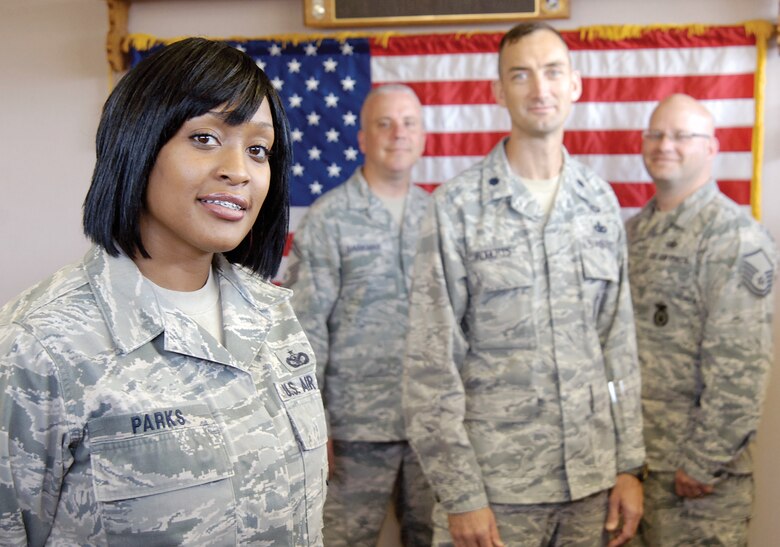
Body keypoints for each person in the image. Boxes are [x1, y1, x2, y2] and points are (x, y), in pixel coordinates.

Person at [0, 37, 327, 545]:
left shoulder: (274, 314)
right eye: (204, 138)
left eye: (258, 149)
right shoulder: (38, 345)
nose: (238, 170)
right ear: (138, 143)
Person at [403, 22, 646, 547]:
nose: (540, 89)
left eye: (553, 72)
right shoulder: (456, 208)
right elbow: (430, 364)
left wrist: (629, 466)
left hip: (590, 485)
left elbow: (617, 345)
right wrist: (460, 494)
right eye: (521, 75)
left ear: (575, 84)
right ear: (498, 91)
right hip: (496, 491)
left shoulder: (599, 203)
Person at [284, 84, 434, 546]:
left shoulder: (440, 216)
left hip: (433, 426)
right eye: (384, 123)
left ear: (424, 136)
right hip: (354, 429)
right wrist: (314, 421)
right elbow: (305, 328)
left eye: (409, 122)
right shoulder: (330, 218)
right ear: (363, 138)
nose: (398, 134)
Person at [626, 93, 776, 546]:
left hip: (699, 484)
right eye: (655, 133)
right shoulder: (632, 234)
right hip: (633, 472)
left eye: (680, 136)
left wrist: (705, 459)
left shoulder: (737, 238)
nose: (664, 144)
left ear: (711, 148)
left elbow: (742, 365)